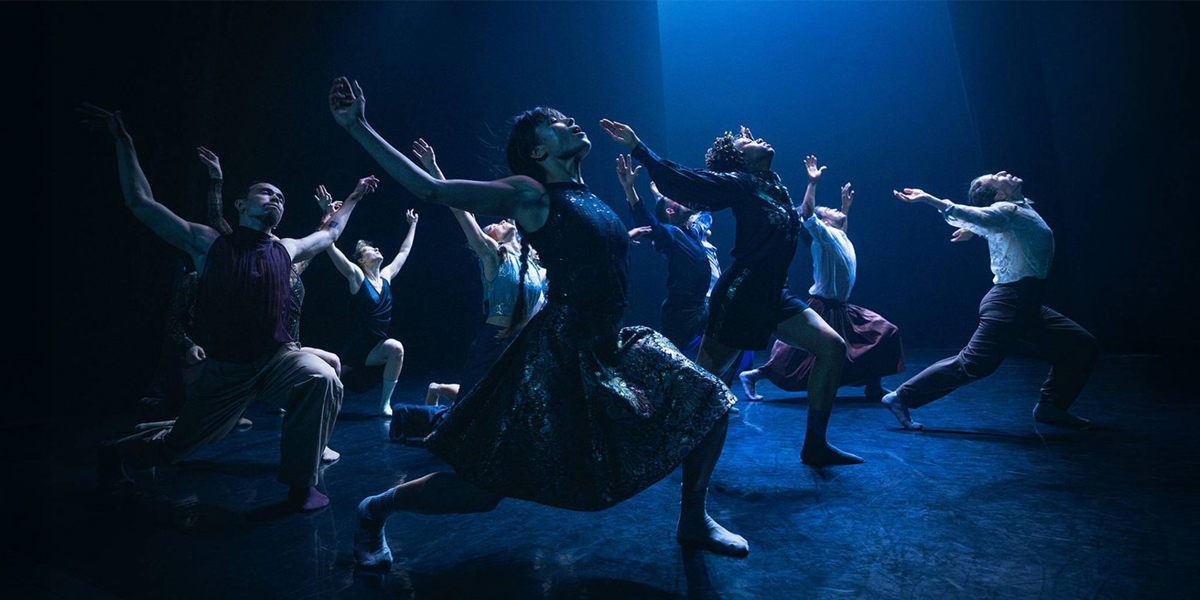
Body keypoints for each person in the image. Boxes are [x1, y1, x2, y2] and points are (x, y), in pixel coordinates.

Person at [328, 77, 746, 568]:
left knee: (709, 398)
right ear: (538, 151)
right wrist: (357, 126)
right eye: (557, 123)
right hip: (558, 356)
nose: (571, 122)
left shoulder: (586, 194)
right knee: (482, 491)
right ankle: (376, 508)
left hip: (609, 343)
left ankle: (693, 518)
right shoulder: (530, 192)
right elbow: (432, 190)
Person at [83, 103, 368, 511]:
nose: (275, 198)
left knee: (323, 377)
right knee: (178, 447)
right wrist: (122, 140)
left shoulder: (287, 249)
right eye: (265, 192)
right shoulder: (210, 243)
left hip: (277, 358)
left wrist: (355, 195)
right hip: (227, 370)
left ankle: (301, 485)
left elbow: (332, 231)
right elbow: (141, 203)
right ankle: (114, 454)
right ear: (240, 206)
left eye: (281, 197)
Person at [602, 120, 860, 466]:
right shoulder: (740, 184)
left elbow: (799, 218)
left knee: (832, 347)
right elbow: (686, 181)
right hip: (741, 297)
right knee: (703, 384)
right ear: (739, 161)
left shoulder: (773, 185)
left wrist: (758, 155)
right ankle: (658, 441)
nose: (757, 138)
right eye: (744, 143)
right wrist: (639, 148)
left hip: (774, 294)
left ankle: (815, 445)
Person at [882, 173, 1097, 429]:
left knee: (1079, 345)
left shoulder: (1016, 210)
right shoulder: (1006, 210)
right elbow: (981, 216)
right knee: (975, 364)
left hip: (1026, 302)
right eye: (996, 178)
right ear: (999, 195)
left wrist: (973, 230)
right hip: (1009, 302)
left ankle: (1052, 405)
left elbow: (996, 224)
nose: (1003, 174)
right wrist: (930, 199)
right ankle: (901, 397)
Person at [739, 160, 904, 402]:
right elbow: (807, 214)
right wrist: (812, 183)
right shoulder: (823, 237)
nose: (835, 210)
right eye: (830, 210)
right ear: (824, 223)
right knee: (798, 355)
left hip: (842, 307)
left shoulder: (838, 235)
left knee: (884, 332)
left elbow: (842, 229)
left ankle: (873, 386)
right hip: (822, 306)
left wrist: (845, 207)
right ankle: (755, 375)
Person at [409, 138, 546, 407]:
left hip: (523, 344)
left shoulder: (533, 263)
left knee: (508, 406)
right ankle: (437, 390)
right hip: (495, 341)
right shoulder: (493, 255)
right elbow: (460, 212)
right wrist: (434, 168)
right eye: (493, 225)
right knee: (474, 403)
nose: (500, 221)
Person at [615, 154, 754, 390]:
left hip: (702, 306)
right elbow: (648, 221)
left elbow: (705, 212)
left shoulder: (693, 232)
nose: (684, 200)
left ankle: (716, 392)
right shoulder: (672, 235)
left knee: (735, 333)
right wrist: (630, 189)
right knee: (667, 358)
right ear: (671, 211)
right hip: (680, 310)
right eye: (677, 200)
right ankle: (645, 392)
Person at [323, 184, 418, 417]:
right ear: (361, 260)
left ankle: (384, 405)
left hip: (376, 346)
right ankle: (289, 399)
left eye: (375, 247)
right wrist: (328, 215)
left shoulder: (386, 276)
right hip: (356, 346)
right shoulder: (357, 276)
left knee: (396, 348)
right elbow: (329, 246)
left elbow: (403, 252)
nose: (376, 249)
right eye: (369, 249)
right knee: (326, 379)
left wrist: (413, 225)